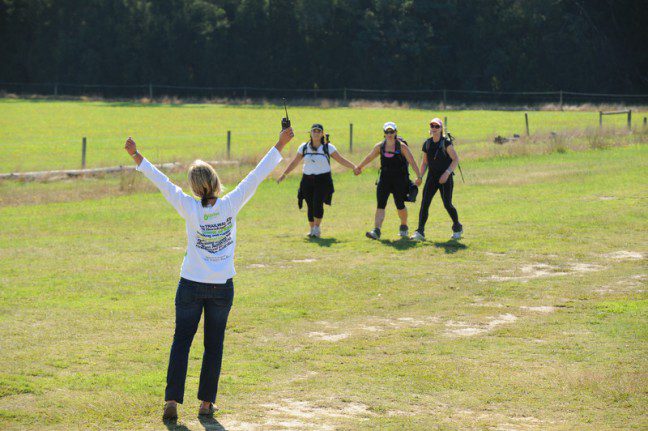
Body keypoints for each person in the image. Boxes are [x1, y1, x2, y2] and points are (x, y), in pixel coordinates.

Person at [123, 127, 294, 420]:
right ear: (215, 181)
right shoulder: (230, 203)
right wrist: (280, 143)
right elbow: (257, 173)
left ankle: (172, 402)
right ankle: (206, 404)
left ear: (193, 186)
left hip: (190, 285)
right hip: (221, 288)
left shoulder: (189, 206)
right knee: (213, 346)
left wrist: (137, 156)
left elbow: (162, 183)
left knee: (181, 342)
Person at [277, 123, 357, 237]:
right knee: (310, 204)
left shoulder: (328, 147)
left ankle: (316, 228)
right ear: (310, 133)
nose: (316, 133)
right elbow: (295, 162)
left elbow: (341, 160)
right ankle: (312, 229)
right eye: (314, 131)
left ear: (322, 134)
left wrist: (354, 167)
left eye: (318, 131)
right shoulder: (304, 147)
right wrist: (284, 174)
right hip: (307, 180)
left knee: (317, 202)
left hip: (323, 180)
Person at [355, 121, 422, 240]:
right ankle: (376, 231)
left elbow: (411, 161)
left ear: (396, 132)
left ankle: (404, 225)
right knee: (380, 204)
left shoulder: (402, 146)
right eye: (387, 132)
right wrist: (359, 167)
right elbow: (370, 157)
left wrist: (419, 176)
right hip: (384, 179)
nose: (389, 134)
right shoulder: (380, 146)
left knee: (400, 205)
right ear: (384, 133)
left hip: (399, 180)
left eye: (392, 131)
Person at [411, 117, 463, 241]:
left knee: (447, 204)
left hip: (445, 178)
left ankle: (457, 227)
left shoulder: (446, 143)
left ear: (441, 129)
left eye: (437, 126)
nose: (434, 128)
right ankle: (420, 231)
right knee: (425, 203)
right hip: (432, 178)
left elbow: (455, 159)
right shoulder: (427, 143)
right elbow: (424, 163)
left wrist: (447, 173)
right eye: (432, 126)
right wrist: (420, 176)